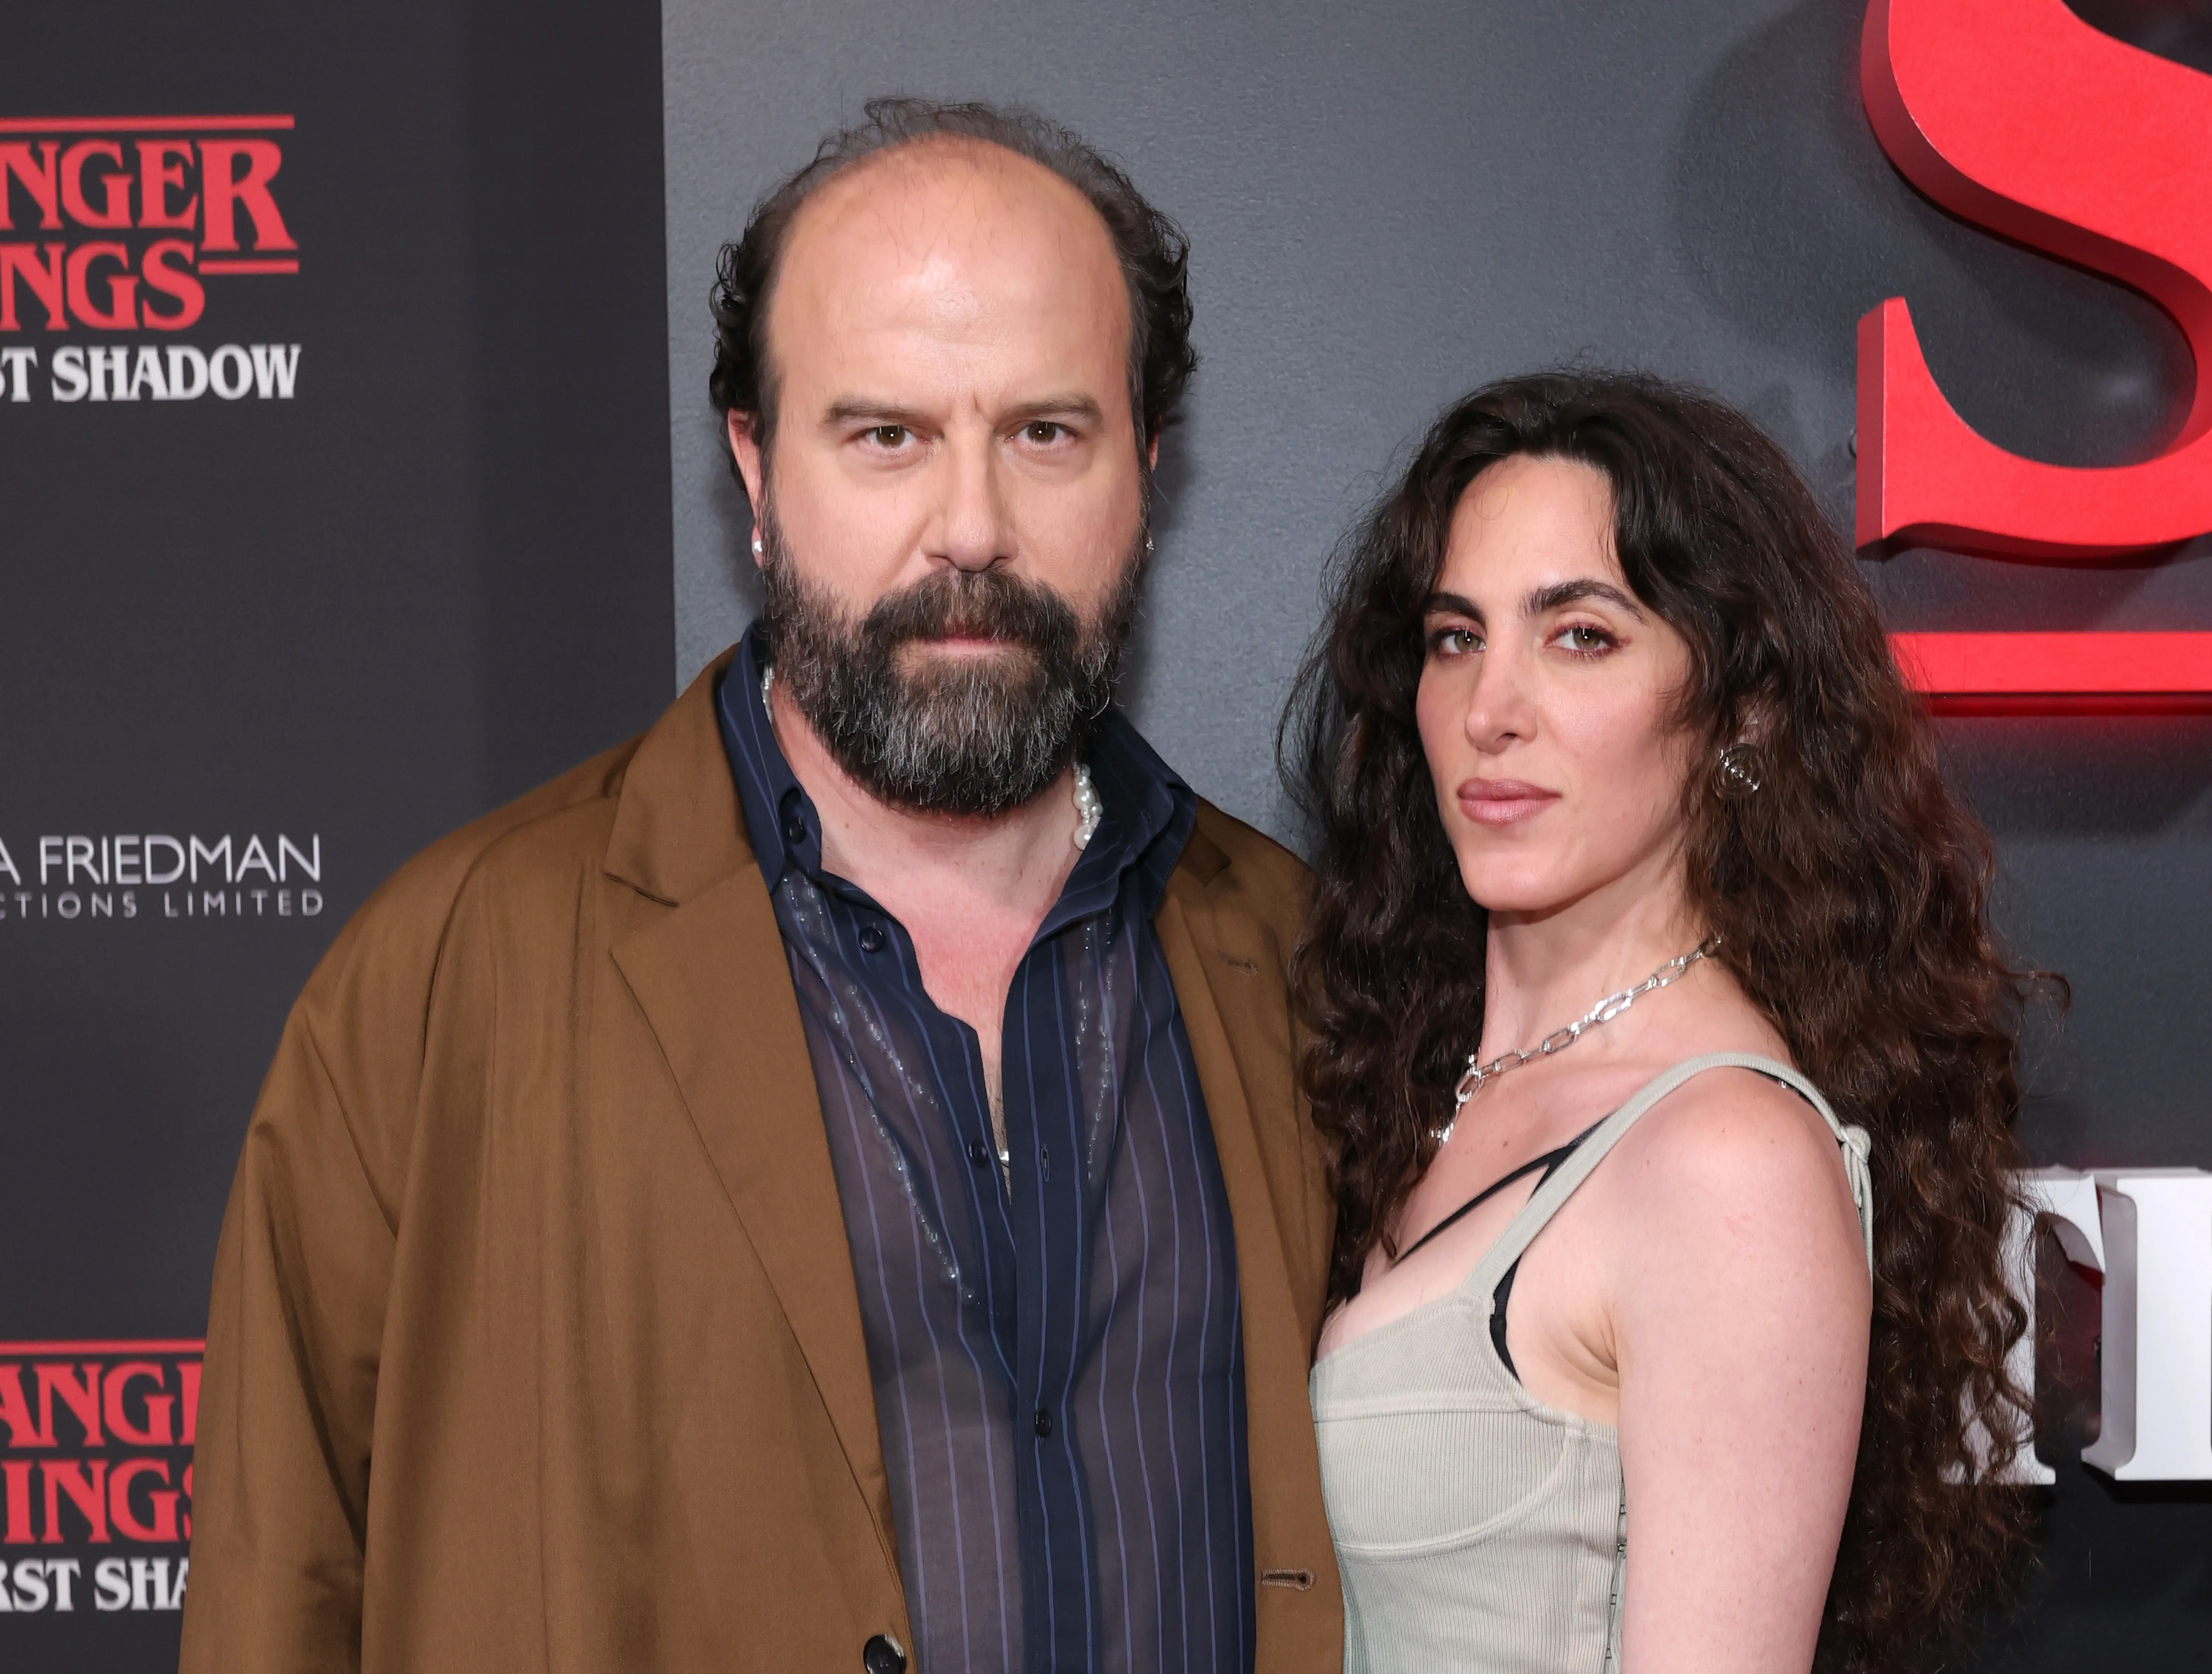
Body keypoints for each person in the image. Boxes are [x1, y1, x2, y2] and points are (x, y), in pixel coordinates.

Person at [181, 98, 1343, 1674]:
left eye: (1045, 433)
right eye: (887, 435)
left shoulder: (1314, 968)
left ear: (1147, 461)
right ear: (754, 463)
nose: (973, 531)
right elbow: (275, 1596)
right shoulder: (446, 981)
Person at [1287, 372, 2036, 1674]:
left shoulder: (1724, 1159)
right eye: (1456, 637)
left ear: (1742, 709)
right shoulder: (1426, 1076)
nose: (1489, 710)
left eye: (1582, 636)